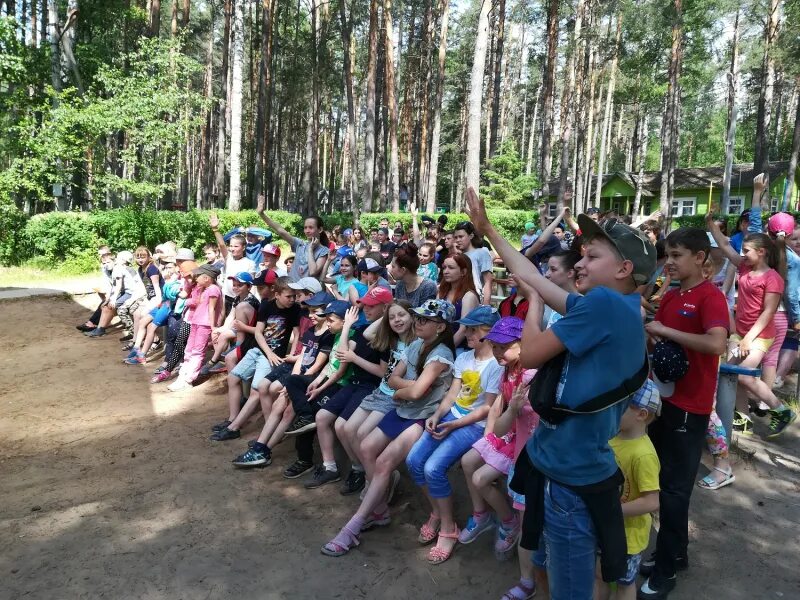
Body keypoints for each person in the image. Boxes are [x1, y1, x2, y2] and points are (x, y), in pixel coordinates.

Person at [465, 186, 655, 599]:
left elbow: (529, 354)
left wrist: (532, 304)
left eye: (591, 256)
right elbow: (531, 275)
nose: (579, 261)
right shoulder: (616, 308)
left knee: (570, 588)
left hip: (568, 473)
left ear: (623, 269)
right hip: (581, 464)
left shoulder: (602, 304)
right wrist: (489, 231)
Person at [321, 299, 456, 557]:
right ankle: (380, 508)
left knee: (383, 462)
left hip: (423, 416)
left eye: (424, 319)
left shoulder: (441, 355)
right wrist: (407, 389)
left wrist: (403, 390)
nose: (418, 322)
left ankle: (354, 526)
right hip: (405, 409)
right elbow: (391, 379)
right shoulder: (417, 344)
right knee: (366, 446)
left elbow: (415, 392)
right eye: (417, 317)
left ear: (440, 327)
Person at [637, 227, 730, 598]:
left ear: (700, 258)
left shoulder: (710, 297)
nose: (670, 263)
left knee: (674, 493)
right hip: (663, 403)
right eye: (668, 255)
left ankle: (665, 573)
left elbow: (716, 343)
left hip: (690, 409)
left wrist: (665, 332)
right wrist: (653, 333)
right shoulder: (675, 297)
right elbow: (668, 339)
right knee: (662, 485)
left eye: (677, 255)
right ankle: (674, 555)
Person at [406, 305, 502, 564]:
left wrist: (453, 425)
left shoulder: (496, 365)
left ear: (489, 332)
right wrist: (437, 416)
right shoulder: (464, 358)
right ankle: (437, 512)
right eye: (467, 328)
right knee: (414, 461)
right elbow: (452, 395)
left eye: (473, 329)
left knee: (433, 468)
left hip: (472, 425)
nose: (466, 333)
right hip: (452, 417)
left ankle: (448, 528)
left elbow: (486, 408)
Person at [706, 183, 797, 438]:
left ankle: (781, 410)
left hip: (760, 335)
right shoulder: (745, 267)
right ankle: (742, 418)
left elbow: (768, 313)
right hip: (742, 332)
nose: (742, 254)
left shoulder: (773, 279)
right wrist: (711, 224)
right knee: (728, 373)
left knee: (745, 376)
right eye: (742, 250)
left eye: (746, 251)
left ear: (762, 252)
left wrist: (747, 339)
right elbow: (725, 247)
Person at [459, 317, 541, 599]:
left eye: (503, 347)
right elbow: (500, 412)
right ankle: (499, 521)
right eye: (494, 346)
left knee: (486, 479)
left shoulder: (531, 375)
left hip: (530, 447)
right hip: (516, 438)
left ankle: (526, 572)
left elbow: (512, 417)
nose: (497, 352)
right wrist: (493, 432)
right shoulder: (509, 370)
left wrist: (508, 416)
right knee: (470, 464)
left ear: (523, 345)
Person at [227, 293, 338, 467]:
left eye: (316, 311)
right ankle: (261, 447)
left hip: (311, 380)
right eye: (309, 311)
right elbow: (302, 358)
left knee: (287, 411)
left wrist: (295, 383)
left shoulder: (329, 335)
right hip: (299, 378)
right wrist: (292, 381)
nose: (310, 315)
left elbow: (317, 365)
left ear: (328, 313)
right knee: (279, 404)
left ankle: (264, 450)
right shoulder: (310, 330)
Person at [305, 295, 392, 491]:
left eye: (372, 306)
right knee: (322, 416)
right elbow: (342, 354)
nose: (366, 310)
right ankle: (330, 467)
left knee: (342, 425)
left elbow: (382, 372)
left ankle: (358, 469)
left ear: (384, 308)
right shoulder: (360, 329)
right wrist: (346, 328)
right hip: (354, 383)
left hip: (371, 386)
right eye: (365, 306)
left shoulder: (385, 335)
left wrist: (354, 358)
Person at [339, 300, 416, 495]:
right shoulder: (392, 339)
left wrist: (392, 311)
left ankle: (376, 484)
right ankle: (379, 477)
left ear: (412, 316)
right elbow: (367, 334)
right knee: (349, 428)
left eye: (401, 315)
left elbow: (385, 373)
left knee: (362, 432)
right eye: (392, 317)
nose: (397, 320)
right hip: (380, 391)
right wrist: (387, 313)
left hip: (394, 397)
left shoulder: (417, 342)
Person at [211, 276, 301, 439]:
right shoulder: (267, 305)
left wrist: (292, 354)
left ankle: (235, 427)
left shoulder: (294, 309)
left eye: (294, 296)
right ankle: (233, 418)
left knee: (256, 391)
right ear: (278, 294)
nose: (292, 300)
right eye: (289, 296)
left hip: (272, 358)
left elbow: (296, 333)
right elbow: (259, 332)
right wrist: (269, 352)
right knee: (232, 378)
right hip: (259, 351)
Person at [596, 380, 661, 600]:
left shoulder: (643, 455)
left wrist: (612, 511)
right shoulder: (612, 435)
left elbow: (652, 501)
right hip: (603, 528)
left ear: (641, 414)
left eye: (619, 407)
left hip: (628, 537)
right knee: (600, 575)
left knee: (624, 583)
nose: (611, 410)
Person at [168, 264, 223, 392]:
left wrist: (213, 327)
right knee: (189, 350)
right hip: (196, 322)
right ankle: (182, 376)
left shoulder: (213, 289)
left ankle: (189, 379)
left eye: (199, 276)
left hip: (205, 324)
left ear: (207, 278)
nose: (196, 278)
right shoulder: (203, 289)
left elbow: (212, 308)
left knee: (197, 351)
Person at [255, 194, 330, 282]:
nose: (307, 231)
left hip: (307, 293)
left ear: (320, 229)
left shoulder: (323, 251)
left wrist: (310, 250)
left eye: (311, 227)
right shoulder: (300, 244)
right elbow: (280, 230)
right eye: (305, 228)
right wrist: (262, 214)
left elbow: (313, 272)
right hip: (291, 288)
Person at [209, 214, 257, 316]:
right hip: (226, 297)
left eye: (236, 246)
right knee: (223, 320)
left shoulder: (250, 263)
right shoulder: (228, 258)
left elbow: (251, 284)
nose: (232, 248)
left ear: (243, 247)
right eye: (231, 246)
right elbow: (222, 245)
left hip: (242, 299)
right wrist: (215, 229)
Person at [438, 254, 479, 350]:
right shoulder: (442, 292)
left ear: (463, 272)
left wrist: (444, 351)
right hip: (439, 343)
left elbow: (463, 330)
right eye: (444, 267)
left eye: (451, 268)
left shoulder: (469, 296)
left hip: (459, 348)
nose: (446, 271)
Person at [454, 221, 494, 304]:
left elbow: (488, 281)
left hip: (476, 299)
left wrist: (485, 307)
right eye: (456, 237)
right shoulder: (459, 255)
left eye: (461, 237)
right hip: (459, 297)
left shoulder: (482, 252)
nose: (458, 240)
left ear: (471, 235)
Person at [391, 243, 438, 308]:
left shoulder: (428, 286)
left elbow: (425, 315)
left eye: (393, 266)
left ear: (403, 270)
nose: (390, 270)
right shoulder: (400, 285)